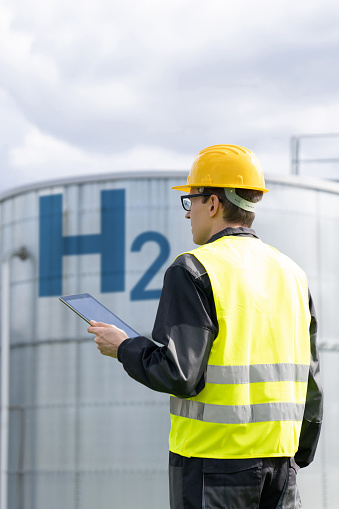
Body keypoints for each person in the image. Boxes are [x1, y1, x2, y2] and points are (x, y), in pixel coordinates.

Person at [88, 145, 323, 509]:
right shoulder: (292, 273)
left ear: (213, 203)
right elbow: (310, 377)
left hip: (213, 467)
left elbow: (178, 373)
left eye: (190, 201)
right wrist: (299, 453)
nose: (188, 214)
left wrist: (123, 347)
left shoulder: (194, 269)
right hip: (281, 465)